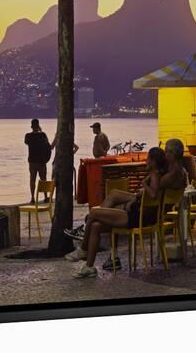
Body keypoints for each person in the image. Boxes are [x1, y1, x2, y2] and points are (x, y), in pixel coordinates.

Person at [65, 147, 168, 278]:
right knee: (96, 225)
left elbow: (153, 195)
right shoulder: (156, 175)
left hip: (135, 217)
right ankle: (89, 267)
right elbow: (149, 195)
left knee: (94, 213)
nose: (146, 161)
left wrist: (144, 185)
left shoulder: (154, 175)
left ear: (153, 162)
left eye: (148, 159)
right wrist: (137, 196)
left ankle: (83, 249)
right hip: (136, 214)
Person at [24, 119, 51, 204]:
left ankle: (32, 198)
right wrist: (41, 130)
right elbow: (47, 145)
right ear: (38, 125)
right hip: (41, 161)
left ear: (31, 126)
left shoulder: (28, 136)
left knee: (32, 179)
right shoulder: (42, 135)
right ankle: (46, 196)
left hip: (32, 161)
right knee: (43, 179)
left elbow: (27, 142)